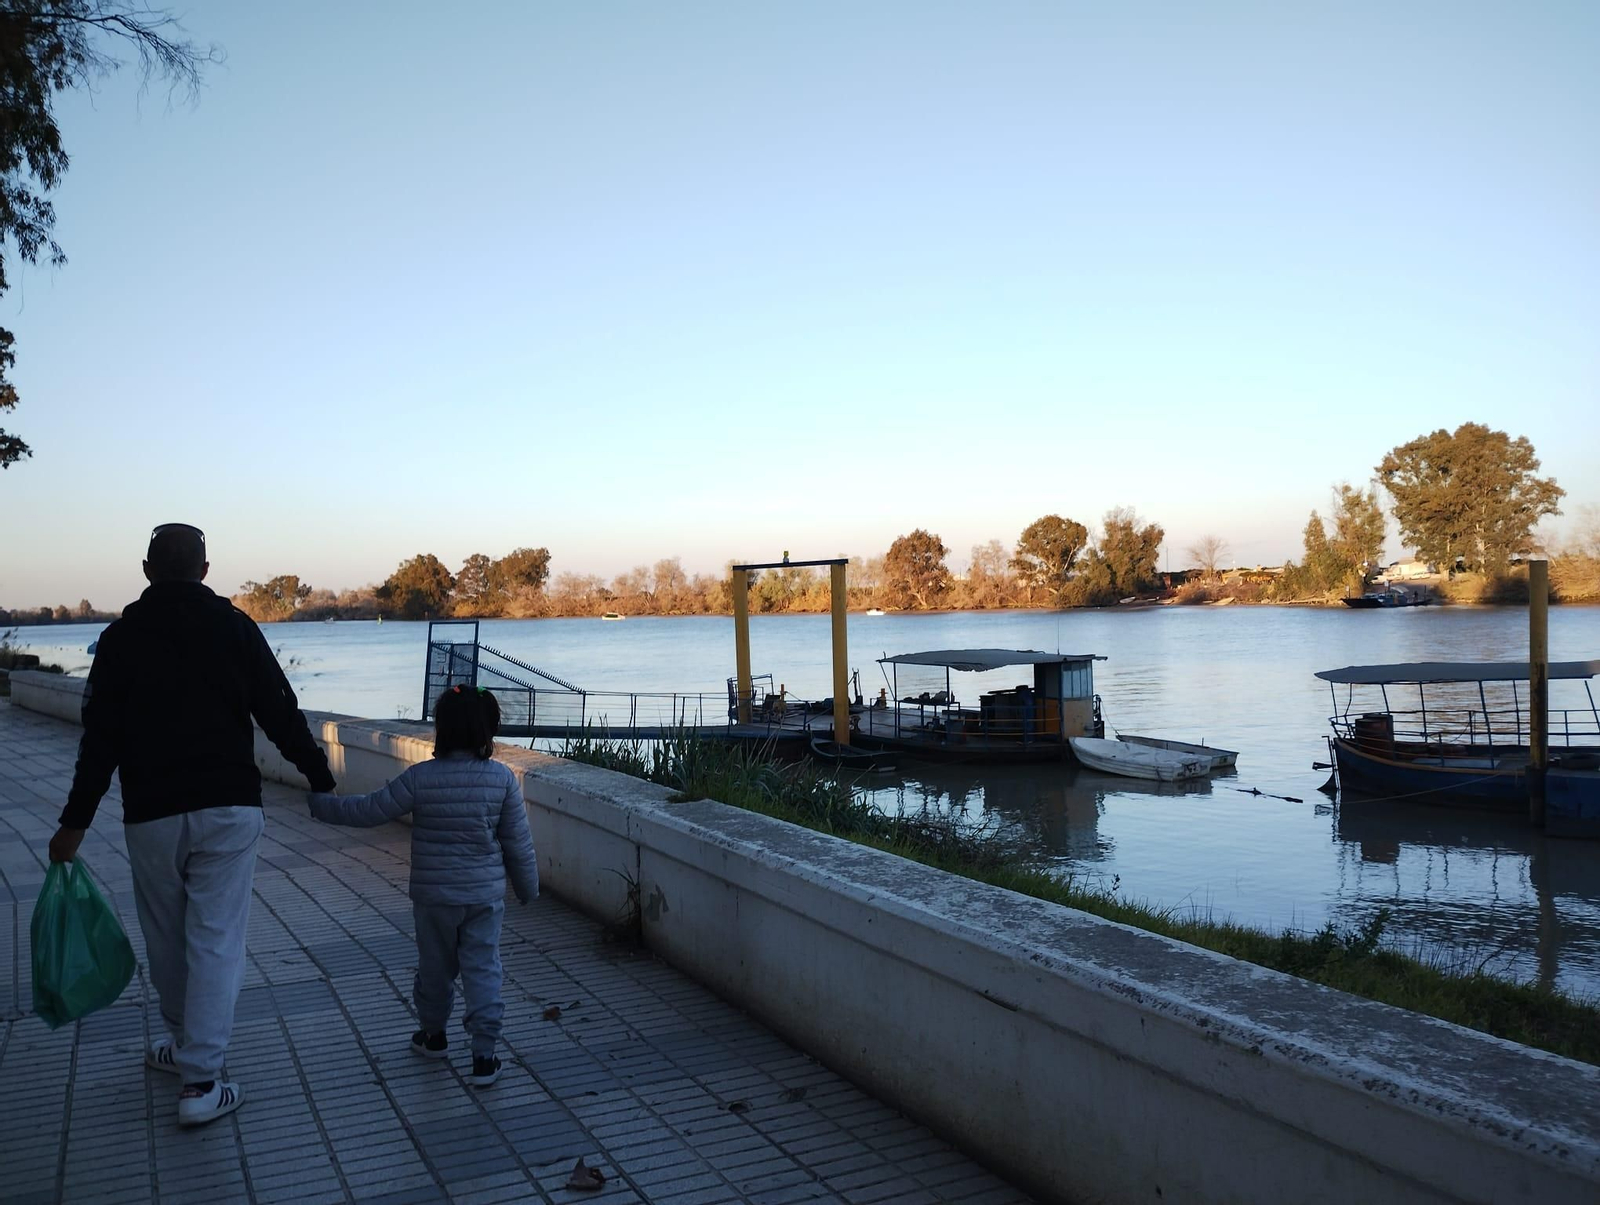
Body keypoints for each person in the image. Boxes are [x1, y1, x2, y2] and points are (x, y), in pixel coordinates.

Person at [48, 523, 337, 1127]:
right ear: (205, 570)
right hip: (229, 809)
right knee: (215, 938)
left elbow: (100, 739)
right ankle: (200, 1075)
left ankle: (190, 1053)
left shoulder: (120, 639)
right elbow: (280, 712)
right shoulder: (235, 628)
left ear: (148, 569)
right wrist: (320, 777)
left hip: (150, 812)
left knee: (167, 936)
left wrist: (74, 823)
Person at [307, 685, 538, 1087]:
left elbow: (370, 810)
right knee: (483, 969)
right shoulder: (501, 779)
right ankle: (484, 1056)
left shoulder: (420, 778)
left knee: (435, 969)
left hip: (434, 899)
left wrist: (322, 805)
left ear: (442, 730)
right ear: (488, 730)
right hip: (483, 898)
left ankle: (434, 1036)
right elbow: (518, 843)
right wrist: (527, 889)